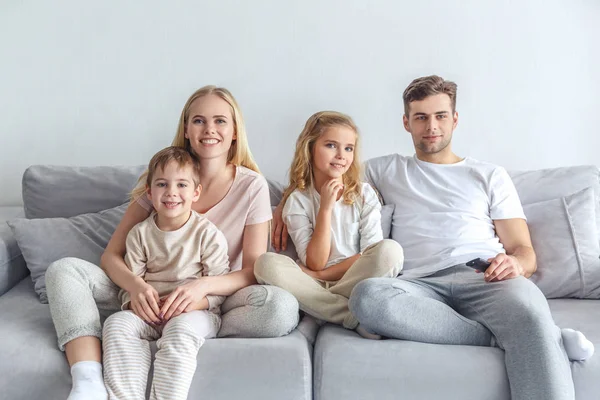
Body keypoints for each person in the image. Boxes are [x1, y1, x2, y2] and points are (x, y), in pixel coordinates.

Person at [341, 75, 592, 400]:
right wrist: (290, 203)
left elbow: (525, 251)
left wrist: (514, 263)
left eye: (440, 116)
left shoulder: (488, 175)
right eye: (421, 117)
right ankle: (501, 336)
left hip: (484, 276)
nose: (432, 126)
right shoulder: (386, 169)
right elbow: (324, 173)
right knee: (367, 298)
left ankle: (529, 332)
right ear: (407, 123)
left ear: (454, 119)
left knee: (530, 315)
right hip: (419, 284)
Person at [45, 86, 299, 400]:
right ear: (186, 129)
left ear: (235, 132)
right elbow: (112, 256)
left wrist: (202, 290)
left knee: (281, 308)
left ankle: (192, 326)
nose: (209, 130)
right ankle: (88, 381)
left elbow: (251, 270)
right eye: (198, 121)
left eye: (220, 121)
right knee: (63, 271)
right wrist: (137, 289)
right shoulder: (162, 180)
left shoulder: (251, 186)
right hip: (148, 290)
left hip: (210, 299)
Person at [255, 111, 403, 339]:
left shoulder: (364, 194)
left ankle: (321, 309)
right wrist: (325, 209)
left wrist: (320, 275)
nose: (341, 155)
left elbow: (369, 252)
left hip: (355, 281)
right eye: (331, 145)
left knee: (391, 251)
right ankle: (351, 316)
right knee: (265, 264)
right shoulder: (298, 200)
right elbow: (314, 260)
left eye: (348, 148)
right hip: (311, 284)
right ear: (310, 148)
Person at [103, 146, 230, 399]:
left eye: (181, 185)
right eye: (162, 184)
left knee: (180, 332)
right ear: (149, 193)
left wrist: (193, 305)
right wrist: (135, 305)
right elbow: (132, 283)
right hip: (150, 313)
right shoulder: (139, 234)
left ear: (196, 192)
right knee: (116, 324)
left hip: (195, 313)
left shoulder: (208, 234)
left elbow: (218, 286)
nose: (171, 192)